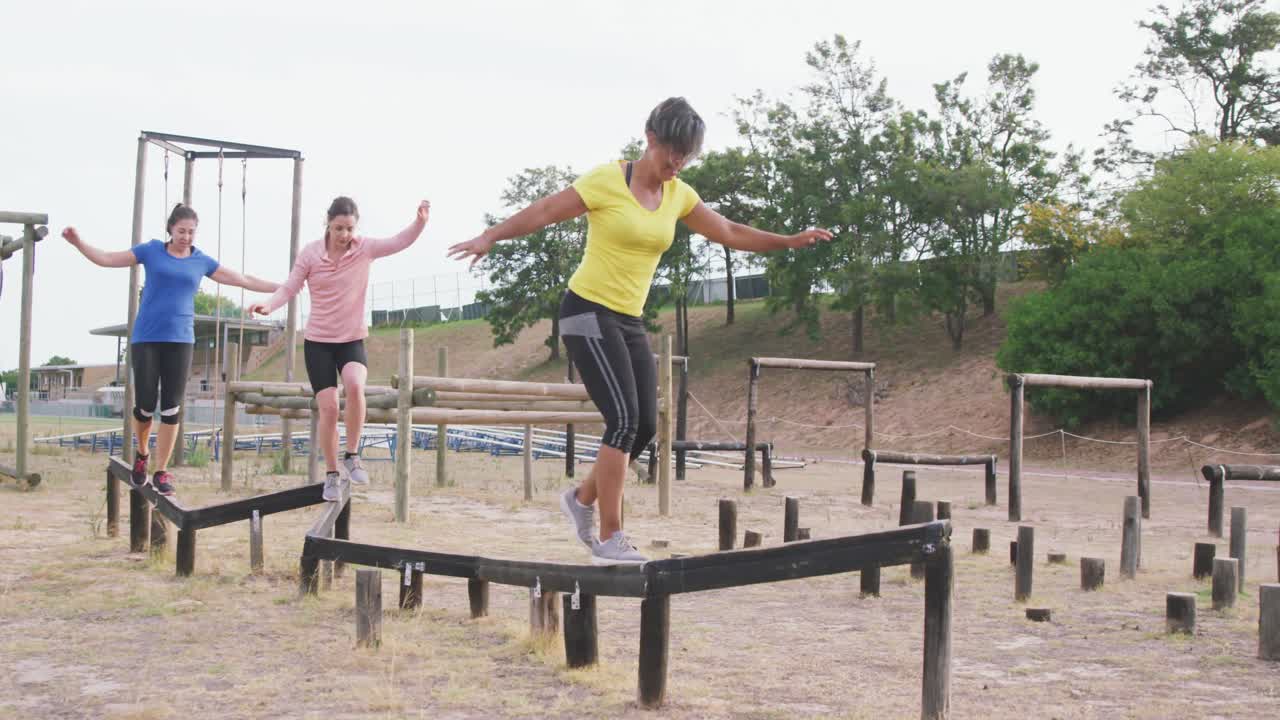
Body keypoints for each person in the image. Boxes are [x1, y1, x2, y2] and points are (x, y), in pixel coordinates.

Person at [449, 97, 832, 564]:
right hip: (586, 312)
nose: (677, 163)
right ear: (650, 139)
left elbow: (729, 231)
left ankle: (581, 500)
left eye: (687, 155)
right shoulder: (608, 180)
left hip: (627, 319)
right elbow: (548, 209)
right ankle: (610, 537)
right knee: (623, 422)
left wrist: (788, 241)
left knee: (645, 427)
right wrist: (491, 236)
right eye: (672, 151)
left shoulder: (679, 195)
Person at [63, 204, 280, 495]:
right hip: (146, 338)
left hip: (180, 340)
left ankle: (162, 471)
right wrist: (78, 242)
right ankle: (142, 454)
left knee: (171, 407)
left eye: (191, 232)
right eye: (181, 231)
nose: (186, 237)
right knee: (144, 405)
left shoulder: (201, 260)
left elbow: (243, 279)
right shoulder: (151, 250)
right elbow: (107, 258)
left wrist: (283, 287)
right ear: (170, 229)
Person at [251, 197, 430, 501]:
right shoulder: (310, 253)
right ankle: (332, 474)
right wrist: (268, 305)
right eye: (338, 228)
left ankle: (352, 454)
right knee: (330, 408)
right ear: (328, 223)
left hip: (351, 340)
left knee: (355, 386)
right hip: (319, 342)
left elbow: (398, 242)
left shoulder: (365, 248)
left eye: (349, 228)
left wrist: (420, 223)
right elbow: (290, 286)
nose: (344, 235)